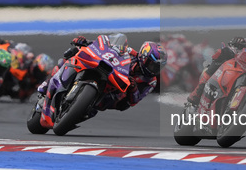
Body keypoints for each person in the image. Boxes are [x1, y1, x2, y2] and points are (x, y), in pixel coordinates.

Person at [38, 35, 166, 121]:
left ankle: (80, 109)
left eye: (157, 68)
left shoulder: (151, 81)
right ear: (144, 56)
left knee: (115, 104)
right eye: (152, 64)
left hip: (116, 93)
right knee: (68, 58)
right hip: (109, 71)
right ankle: (47, 85)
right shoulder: (131, 52)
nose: (153, 70)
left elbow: (134, 101)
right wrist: (86, 43)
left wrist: (133, 89)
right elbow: (106, 47)